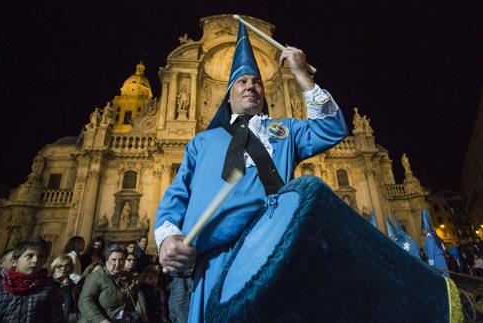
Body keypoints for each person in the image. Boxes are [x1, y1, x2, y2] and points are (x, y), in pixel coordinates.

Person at [154, 22, 347, 322]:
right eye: (241, 81)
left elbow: (331, 128)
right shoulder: (202, 142)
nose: (250, 85)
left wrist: (301, 74)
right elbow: (176, 196)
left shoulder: (285, 132)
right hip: (215, 263)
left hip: (272, 255)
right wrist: (167, 240)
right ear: (227, 94)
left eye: (256, 81)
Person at [0, 240, 66, 322]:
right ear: (14, 262)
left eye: (41, 257)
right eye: (29, 256)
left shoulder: (49, 291)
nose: (35, 260)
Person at [78, 244, 147, 323]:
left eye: (121, 260)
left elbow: (138, 295)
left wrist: (144, 316)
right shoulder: (96, 277)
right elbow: (85, 301)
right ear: (107, 261)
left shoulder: (128, 276)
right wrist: (102, 320)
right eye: (113, 260)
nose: (117, 264)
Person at [421, 209, 449, 277]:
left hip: (436, 260)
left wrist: (431, 264)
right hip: (441, 258)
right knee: (445, 275)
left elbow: (431, 252)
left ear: (425, 229)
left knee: (441, 277)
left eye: (422, 230)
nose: (422, 231)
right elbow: (443, 247)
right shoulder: (435, 236)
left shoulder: (428, 238)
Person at [51, 254, 77, 322]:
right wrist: (56, 282)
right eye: (60, 266)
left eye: (67, 266)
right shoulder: (47, 282)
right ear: (54, 268)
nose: (63, 269)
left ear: (71, 268)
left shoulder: (73, 285)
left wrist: (66, 284)